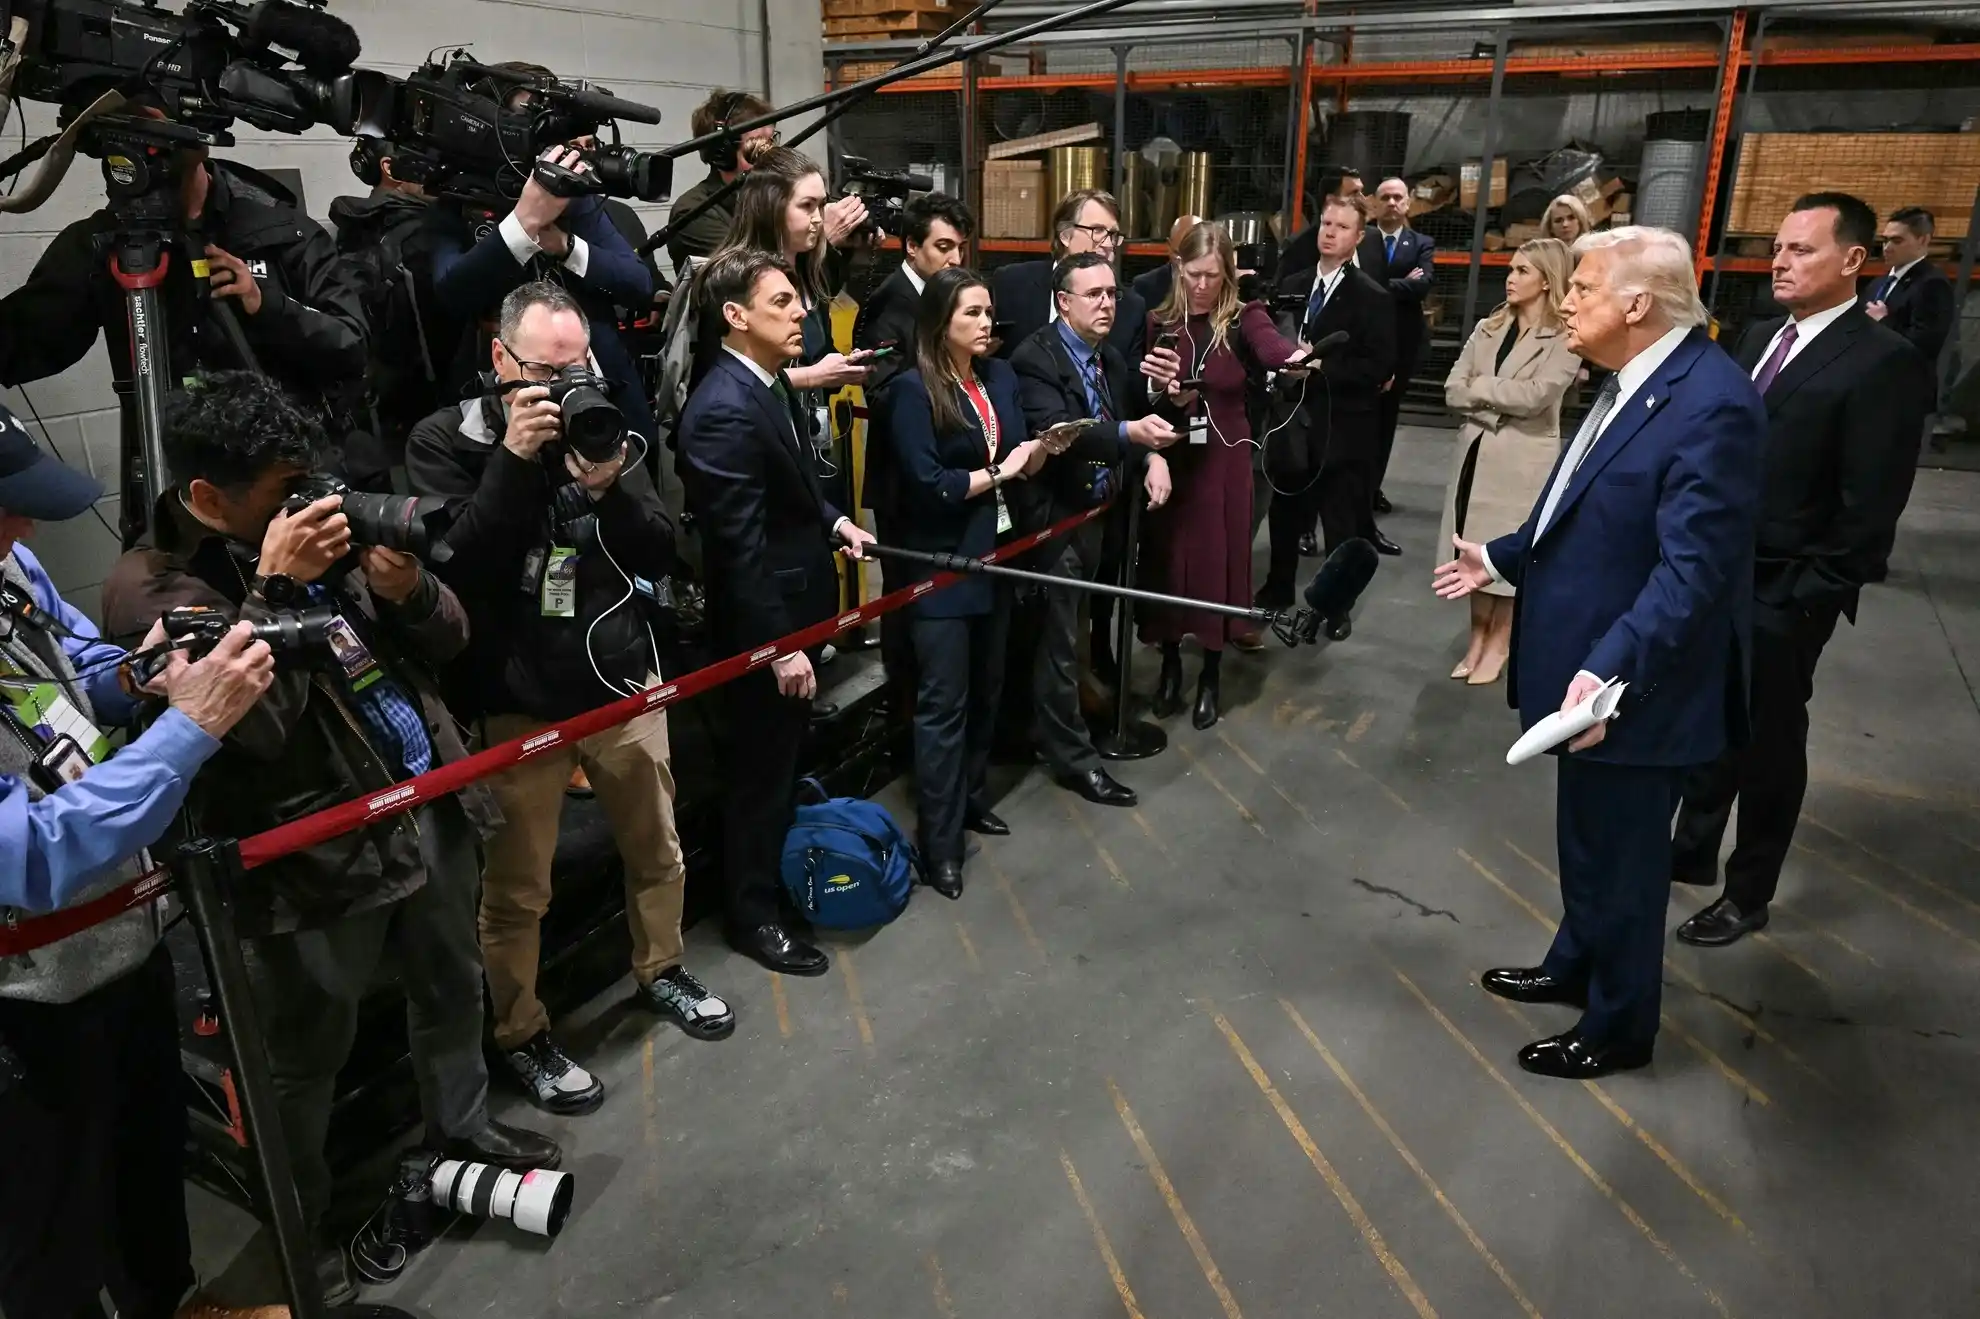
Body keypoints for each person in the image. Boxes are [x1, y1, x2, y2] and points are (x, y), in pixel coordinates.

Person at [100, 372, 560, 1303]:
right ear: (206, 498)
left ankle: (462, 1136)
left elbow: (449, 641)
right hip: (308, 858)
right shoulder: (149, 586)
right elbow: (253, 729)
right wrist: (274, 586)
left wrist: (407, 591)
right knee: (304, 1060)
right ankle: (298, 1237)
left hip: (419, 803)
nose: (308, 504)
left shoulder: (318, 523)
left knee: (448, 983)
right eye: (281, 492)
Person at [1434, 226, 1764, 1081]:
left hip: (1629, 683)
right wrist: (1505, 554)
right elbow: (1580, 497)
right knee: (1586, 839)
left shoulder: (1712, 401)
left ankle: (1619, 1022)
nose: (1567, 299)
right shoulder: (1634, 380)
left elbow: (1692, 571)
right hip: (1584, 669)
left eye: (1581, 287)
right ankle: (1575, 960)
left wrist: (1613, 668)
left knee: (1624, 859)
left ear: (1636, 303)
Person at [405, 281, 733, 1113]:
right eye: (545, 370)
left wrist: (608, 485)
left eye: (577, 362)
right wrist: (515, 462)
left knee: (659, 847)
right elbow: (455, 570)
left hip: (622, 679)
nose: (565, 384)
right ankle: (521, 1031)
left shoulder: (607, 425)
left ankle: (660, 965)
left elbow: (661, 550)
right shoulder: (447, 439)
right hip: (517, 699)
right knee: (519, 889)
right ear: (499, 360)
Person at [0, 409, 283, 1319]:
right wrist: (189, 730)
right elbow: (29, 858)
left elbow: (68, 658)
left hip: (124, 938)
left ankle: (172, 1304)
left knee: (147, 1173)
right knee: (50, 1237)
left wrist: (138, 675)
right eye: (5, 511)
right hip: (29, 1003)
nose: (27, 530)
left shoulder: (11, 561)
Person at [1672, 193, 1933, 949]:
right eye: (1779, 249)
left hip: (1788, 589)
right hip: (1720, 573)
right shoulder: (1759, 335)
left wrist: (1809, 595)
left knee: (1769, 743)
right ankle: (1690, 848)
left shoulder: (1884, 360)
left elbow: (1870, 503)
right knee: (1708, 716)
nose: (1781, 262)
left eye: (1802, 250)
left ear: (1854, 260)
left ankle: (1747, 891)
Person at [0, 120, 367, 523]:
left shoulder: (280, 231)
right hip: (173, 487)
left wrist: (266, 306)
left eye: (146, 119)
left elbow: (349, 346)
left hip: (284, 480)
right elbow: (25, 344)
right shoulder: (98, 246)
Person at [676, 250, 876, 976]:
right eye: (783, 301)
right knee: (759, 778)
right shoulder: (722, 407)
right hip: (767, 628)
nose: (801, 313)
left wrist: (832, 522)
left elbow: (786, 487)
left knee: (783, 765)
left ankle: (776, 886)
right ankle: (753, 915)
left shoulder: (764, 386)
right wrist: (779, 647)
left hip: (798, 607)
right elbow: (739, 544)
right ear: (735, 315)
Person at [876, 269, 1047, 896]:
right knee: (942, 706)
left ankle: (972, 798)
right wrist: (1001, 473)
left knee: (987, 688)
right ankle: (940, 841)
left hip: (996, 554)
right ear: (939, 322)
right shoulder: (911, 391)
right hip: (941, 566)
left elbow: (1016, 443)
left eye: (988, 312)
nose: (985, 323)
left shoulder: (997, 376)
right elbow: (931, 486)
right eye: (972, 313)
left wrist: (1037, 452)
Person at [1011, 253, 1177, 807]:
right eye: (1094, 295)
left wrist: (1152, 457)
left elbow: (1129, 414)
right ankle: (1074, 761)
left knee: (1078, 639)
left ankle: (1073, 726)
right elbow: (1066, 434)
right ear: (1064, 301)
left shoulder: (1108, 360)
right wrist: (1133, 435)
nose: (1108, 303)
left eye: (1112, 293)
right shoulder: (1036, 358)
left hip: (1099, 520)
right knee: (1057, 645)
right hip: (1055, 524)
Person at [426, 64, 657, 445]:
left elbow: (638, 284)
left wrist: (565, 247)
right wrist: (522, 223)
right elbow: (453, 292)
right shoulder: (454, 204)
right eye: (528, 117)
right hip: (509, 404)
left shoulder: (574, 200)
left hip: (604, 391)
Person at [1142, 222, 1307, 729]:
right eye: (1193, 274)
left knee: (1217, 563)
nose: (1201, 286)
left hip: (1225, 458)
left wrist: (1297, 359)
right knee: (1169, 562)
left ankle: (1211, 671)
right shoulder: (1159, 321)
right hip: (1173, 454)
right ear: (1178, 268)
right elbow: (1143, 390)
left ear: (1228, 274)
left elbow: (1273, 348)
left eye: (1212, 275)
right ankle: (1170, 663)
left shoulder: (1242, 317)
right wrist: (1166, 397)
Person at [1438, 238, 1579, 687]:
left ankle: (1500, 643)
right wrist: (1494, 396)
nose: (1511, 277)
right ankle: (1477, 637)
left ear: (1546, 280)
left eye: (1522, 270)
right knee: (1471, 547)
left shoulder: (1564, 335)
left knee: (1507, 554)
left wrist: (1482, 389)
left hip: (1522, 463)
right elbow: (1453, 388)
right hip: (1476, 455)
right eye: (1511, 268)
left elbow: (1538, 396)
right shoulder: (1490, 326)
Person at [854, 193, 976, 711]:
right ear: (911, 247)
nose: (955, 260)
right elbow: (881, 392)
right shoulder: (890, 303)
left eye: (961, 249)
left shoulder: (945, 296)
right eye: (943, 247)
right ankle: (904, 707)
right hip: (904, 478)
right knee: (906, 596)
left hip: (945, 469)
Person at [1259, 194, 1395, 638]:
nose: (1330, 232)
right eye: (1326, 223)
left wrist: (1320, 370)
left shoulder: (1371, 296)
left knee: (1339, 522)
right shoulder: (1293, 284)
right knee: (1285, 513)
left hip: (1342, 428)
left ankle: (1335, 609)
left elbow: (1377, 367)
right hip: (1291, 423)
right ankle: (1278, 588)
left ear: (1358, 237)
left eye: (1341, 227)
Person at [329, 141, 468, 492]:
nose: (440, 176)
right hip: (439, 404)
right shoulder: (430, 234)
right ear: (390, 169)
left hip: (377, 407)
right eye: (427, 167)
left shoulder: (349, 227)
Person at [1359, 175, 1437, 548]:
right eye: (1385, 197)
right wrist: (1398, 283)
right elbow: (1355, 280)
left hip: (1403, 346)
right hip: (1364, 344)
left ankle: (1372, 489)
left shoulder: (1420, 243)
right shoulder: (1362, 239)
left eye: (1398, 198)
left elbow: (1423, 285)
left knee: (1386, 421)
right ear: (1374, 203)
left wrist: (1377, 285)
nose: (1392, 203)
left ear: (1407, 204)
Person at [992, 188, 1152, 367]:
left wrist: (1156, 385)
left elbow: (1131, 389)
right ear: (1066, 235)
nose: (1108, 244)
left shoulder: (1130, 307)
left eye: (1113, 235)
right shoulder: (1011, 283)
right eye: (1097, 231)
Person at [666, 89, 778, 274]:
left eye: (771, 142)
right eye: (756, 146)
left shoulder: (771, 197)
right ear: (722, 153)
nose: (769, 155)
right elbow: (756, 278)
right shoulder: (692, 212)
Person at [1867, 205, 1955, 369]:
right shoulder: (1877, 283)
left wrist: (1884, 321)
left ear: (1923, 240)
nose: (1887, 248)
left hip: (1902, 383)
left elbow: (1925, 347)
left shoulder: (1932, 284)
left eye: (1897, 241)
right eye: (1885, 240)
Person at [1132, 214, 1203, 311]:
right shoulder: (1144, 287)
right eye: (1178, 254)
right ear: (1169, 246)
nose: (1185, 264)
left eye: (1192, 255)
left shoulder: (1219, 287)